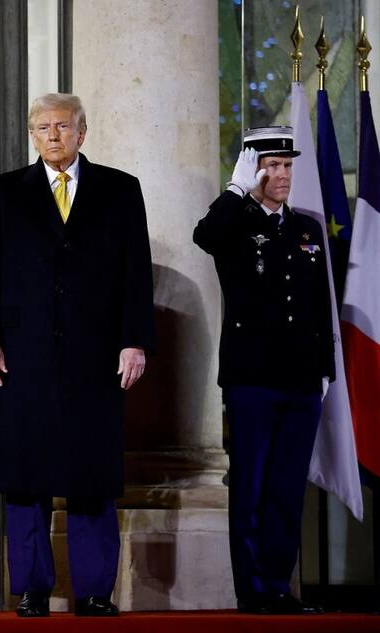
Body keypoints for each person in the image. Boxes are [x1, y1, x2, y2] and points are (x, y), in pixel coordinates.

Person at [0, 93, 155, 617]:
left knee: (92, 476)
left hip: (95, 359)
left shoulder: (120, 189)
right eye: (43, 127)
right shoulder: (3, 192)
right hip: (20, 360)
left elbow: (135, 273)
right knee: (24, 477)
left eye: (63, 126)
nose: (53, 135)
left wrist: (134, 339)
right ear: (32, 135)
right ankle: (31, 588)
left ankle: (94, 591)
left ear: (82, 132)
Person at [193, 127, 333, 615]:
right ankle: (252, 590)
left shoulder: (307, 229)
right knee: (250, 485)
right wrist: (235, 191)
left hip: (300, 380)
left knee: (287, 487)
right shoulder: (233, 222)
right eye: (270, 165)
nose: (281, 175)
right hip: (252, 378)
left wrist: (324, 370)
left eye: (287, 166)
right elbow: (203, 236)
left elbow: (318, 305)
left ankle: (278, 584)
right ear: (251, 169)